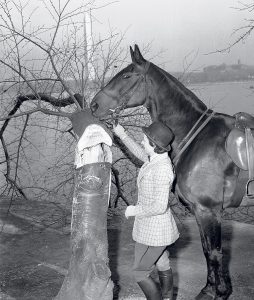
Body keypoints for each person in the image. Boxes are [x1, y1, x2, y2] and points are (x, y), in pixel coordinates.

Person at [113, 121, 179, 300]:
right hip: (148, 228)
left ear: (154, 145)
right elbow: (140, 152)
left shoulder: (162, 169)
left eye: (144, 140)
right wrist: (122, 133)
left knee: (139, 273)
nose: (142, 142)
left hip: (157, 231)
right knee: (162, 261)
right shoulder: (155, 159)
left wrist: (133, 210)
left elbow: (159, 206)